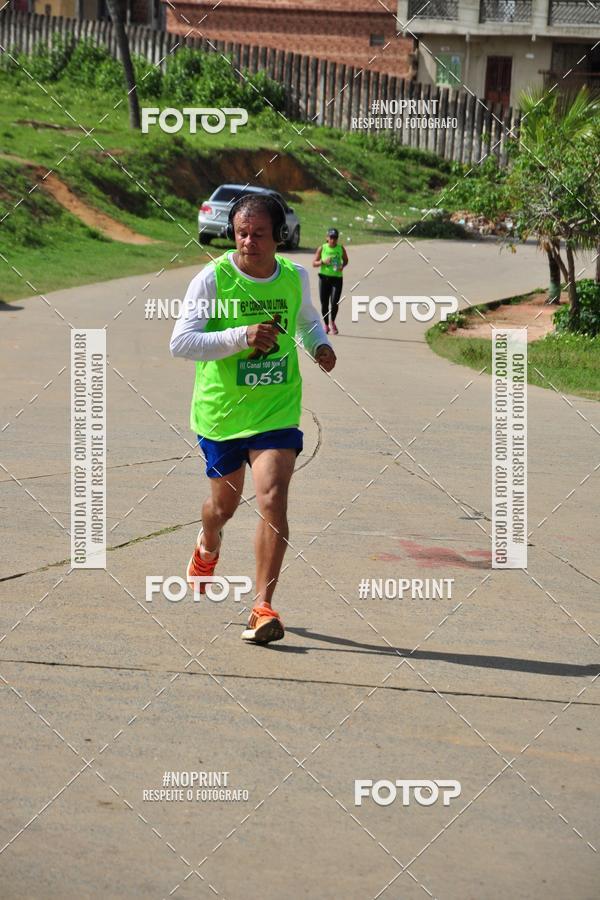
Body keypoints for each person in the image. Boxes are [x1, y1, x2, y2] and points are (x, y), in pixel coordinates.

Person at [170, 194, 336, 644]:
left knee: (273, 498)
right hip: (222, 413)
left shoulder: (295, 277)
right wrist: (241, 335)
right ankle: (208, 540)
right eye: (241, 233)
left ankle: (262, 608)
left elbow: (307, 320)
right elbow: (181, 342)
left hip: (276, 408)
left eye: (258, 234)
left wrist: (320, 345)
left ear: (278, 236)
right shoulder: (213, 279)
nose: (248, 242)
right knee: (222, 508)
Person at [312, 227, 348, 335]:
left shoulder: (340, 248)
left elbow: (346, 260)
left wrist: (342, 266)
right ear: (327, 238)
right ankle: (326, 325)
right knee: (324, 303)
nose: (333, 240)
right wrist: (323, 261)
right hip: (324, 278)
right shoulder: (322, 248)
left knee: (334, 302)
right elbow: (314, 263)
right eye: (331, 237)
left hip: (337, 278)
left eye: (335, 238)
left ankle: (332, 321)